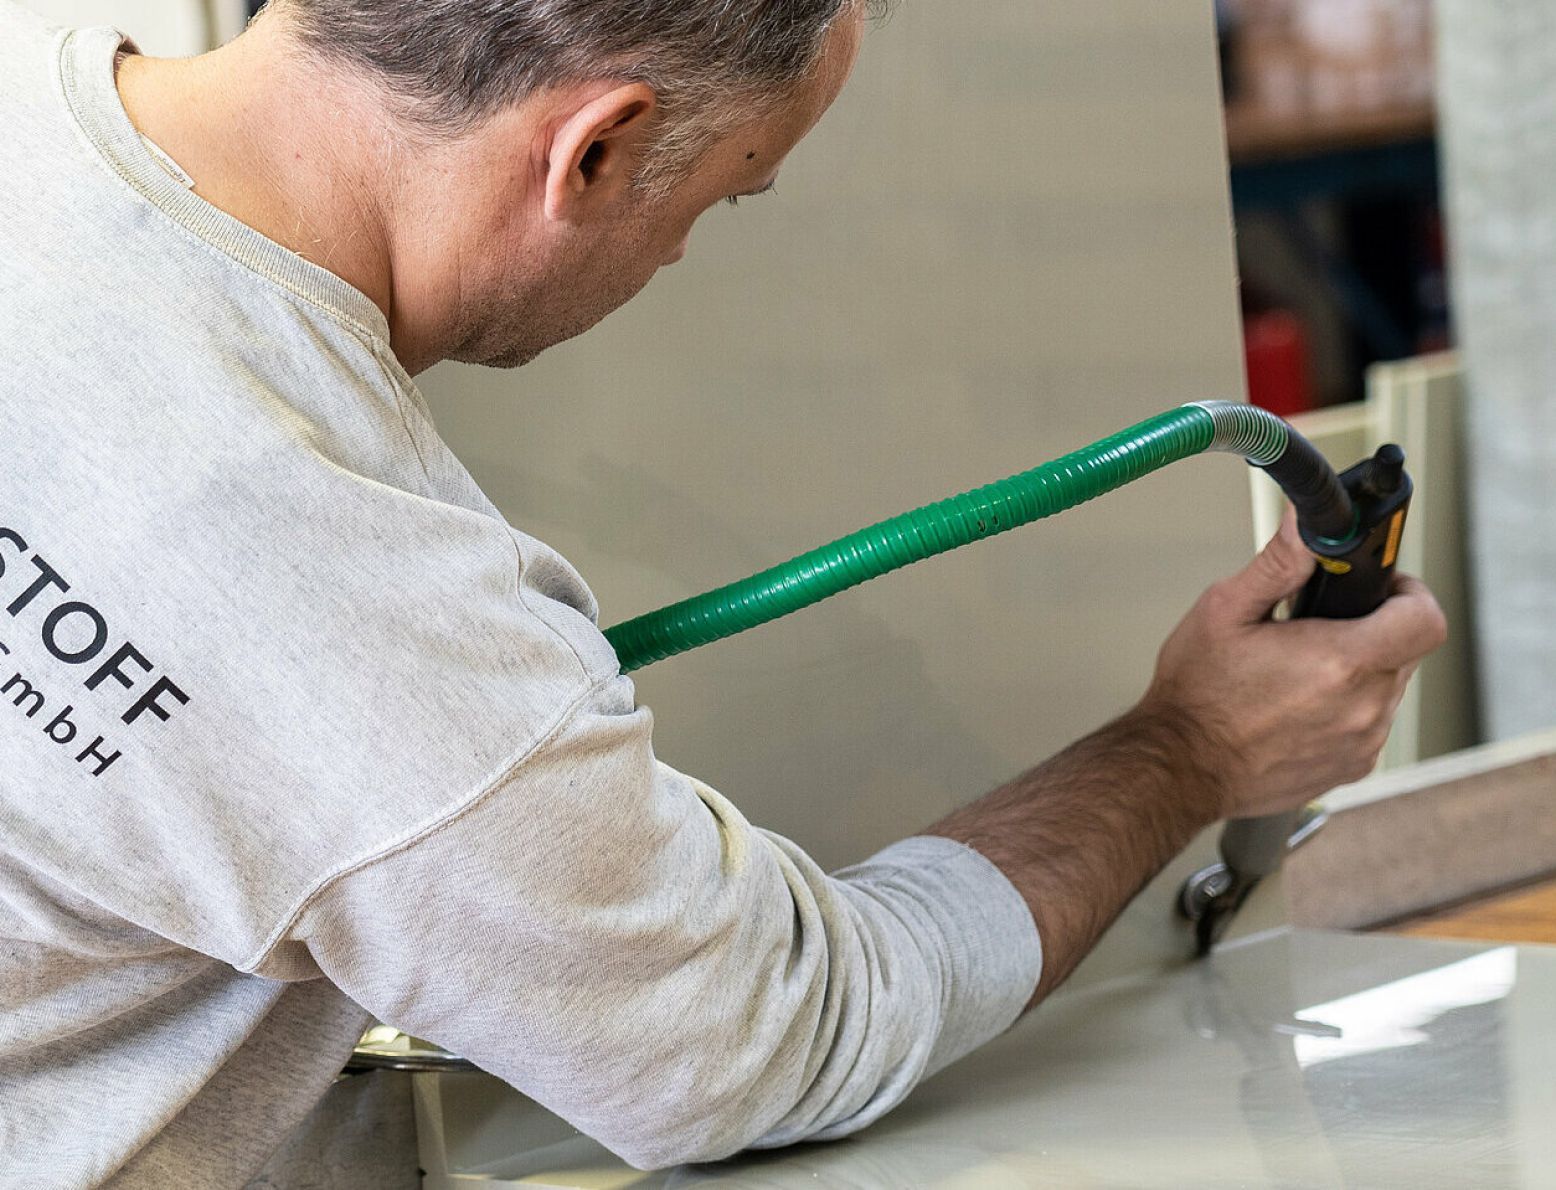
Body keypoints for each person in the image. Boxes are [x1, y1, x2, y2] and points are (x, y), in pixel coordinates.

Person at [0, 0, 1446, 1185]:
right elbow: (776, 1033)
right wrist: (1191, 747)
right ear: (600, 151)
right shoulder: (361, 602)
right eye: (730, 192)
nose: (688, 249)